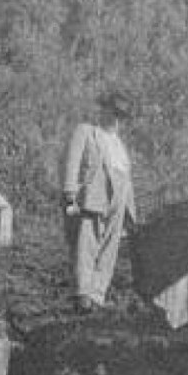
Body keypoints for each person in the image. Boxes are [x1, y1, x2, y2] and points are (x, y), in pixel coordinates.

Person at [58, 89, 138, 312]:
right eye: (111, 111)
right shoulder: (86, 131)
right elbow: (72, 162)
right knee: (86, 242)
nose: (114, 118)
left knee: (109, 248)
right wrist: (69, 192)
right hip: (93, 194)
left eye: (119, 115)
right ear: (102, 110)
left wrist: (130, 211)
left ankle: (97, 294)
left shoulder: (119, 144)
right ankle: (83, 293)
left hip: (118, 198)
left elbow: (126, 177)